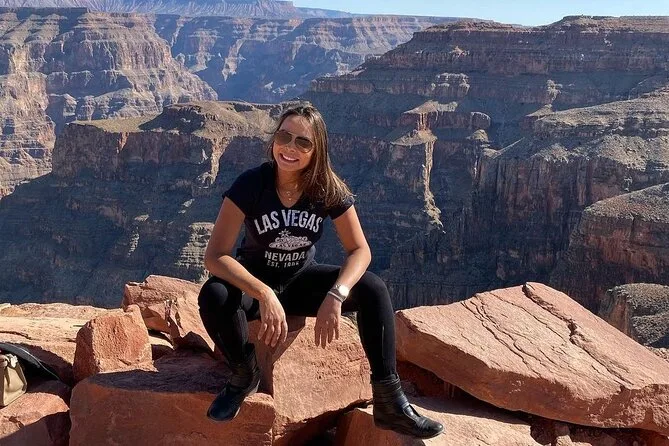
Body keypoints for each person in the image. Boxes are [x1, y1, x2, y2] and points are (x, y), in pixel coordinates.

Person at [198, 104, 444, 439]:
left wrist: (336, 294)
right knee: (214, 293)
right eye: (284, 136)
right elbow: (215, 256)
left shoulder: (326, 187)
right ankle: (244, 374)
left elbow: (360, 250)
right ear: (273, 139)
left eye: (303, 142)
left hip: (301, 282)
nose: (290, 147)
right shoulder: (251, 184)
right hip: (255, 283)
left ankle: (389, 400)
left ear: (317, 150)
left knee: (372, 288)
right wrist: (263, 293)